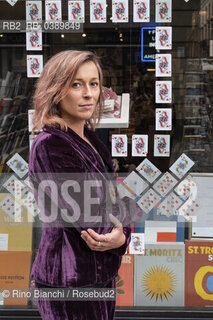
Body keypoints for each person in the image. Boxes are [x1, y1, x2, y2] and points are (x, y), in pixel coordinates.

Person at [29, 50, 141, 320]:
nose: (89, 93)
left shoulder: (88, 137)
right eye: (76, 84)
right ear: (56, 90)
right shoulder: (51, 144)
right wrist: (123, 223)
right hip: (69, 281)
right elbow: (93, 219)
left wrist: (121, 227)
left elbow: (114, 204)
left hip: (95, 274)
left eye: (94, 83)